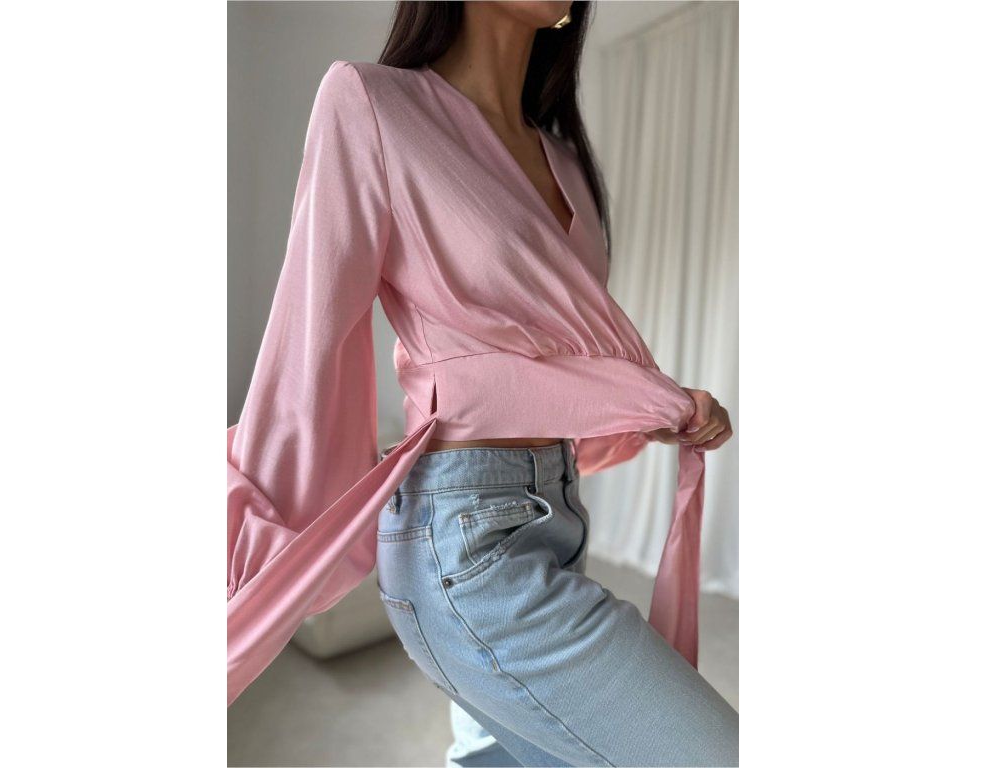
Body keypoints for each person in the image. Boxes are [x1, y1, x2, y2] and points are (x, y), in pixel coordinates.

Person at [227, 1, 737, 765]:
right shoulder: (372, 103)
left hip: (558, 511)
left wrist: (647, 407)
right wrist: (245, 548)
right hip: (465, 539)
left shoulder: (564, 156)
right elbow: (308, 341)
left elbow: (548, 354)